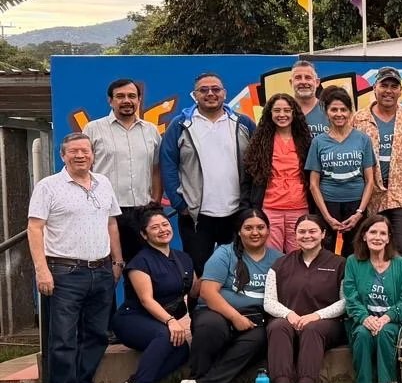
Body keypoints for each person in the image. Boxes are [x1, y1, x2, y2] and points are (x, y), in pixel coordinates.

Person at [27, 132, 123, 383]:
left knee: (97, 334)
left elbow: (112, 224)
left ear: (93, 154)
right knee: (64, 337)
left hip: (102, 270)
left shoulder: (103, 183)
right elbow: (35, 228)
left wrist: (117, 261)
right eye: (74, 151)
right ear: (63, 155)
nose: (80, 155)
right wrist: (41, 270)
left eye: (85, 151)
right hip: (64, 272)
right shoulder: (48, 187)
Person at [179, 207, 279, 383]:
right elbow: (207, 292)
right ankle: (197, 375)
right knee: (210, 328)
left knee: (259, 339)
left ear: (268, 230)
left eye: (260, 227)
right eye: (248, 228)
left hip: (255, 317)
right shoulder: (224, 253)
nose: (255, 232)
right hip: (215, 311)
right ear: (239, 231)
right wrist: (235, 317)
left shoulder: (278, 259)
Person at [159, 70, 253, 270]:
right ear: (195, 95)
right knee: (197, 274)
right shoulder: (180, 125)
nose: (210, 93)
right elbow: (168, 164)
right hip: (195, 215)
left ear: (225, 93)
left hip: (236, 213)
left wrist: (250, 202)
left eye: (215, 89)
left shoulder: (243, 124)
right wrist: (179, 203)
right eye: (204, 90)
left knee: (237, 271)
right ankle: (196, 303)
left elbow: (258, 163)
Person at [263, 215, 346, 383]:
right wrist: (289, 314)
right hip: (290, 320)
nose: (307, 235)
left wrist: (316, 315)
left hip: (326, 323)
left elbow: (346, 301)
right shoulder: (281, 264)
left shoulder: (339, 263)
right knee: (277, 326)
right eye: (302, 231)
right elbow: (268, 301)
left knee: (312, 329)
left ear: (323, 234)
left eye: (312, 231)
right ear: (295, 235)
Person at [111, 207, 195, 383]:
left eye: (165, 224)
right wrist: (171, 321)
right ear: (144, 234)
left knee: (182, 350)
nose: (163, 230)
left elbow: (195, 289)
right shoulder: (140, 261)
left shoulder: (183, 258)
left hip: (162, 321)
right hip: (132, 319)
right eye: (155, 227)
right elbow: (146, 300)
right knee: (166, 335)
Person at [86, 77, 162, 264]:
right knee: (106, 270)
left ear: (139, 100)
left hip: (141, 212)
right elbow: (83, 170)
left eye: (131, 96)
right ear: (110, 101)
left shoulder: (151, 130)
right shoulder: (93, 129)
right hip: (105, 212)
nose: (126, 100)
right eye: (120, 96)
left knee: (143, 271)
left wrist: (156, 200)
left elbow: (156, 168)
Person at [339, 215, 402, 383]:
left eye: (383, 233)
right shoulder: (353, 262)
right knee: (363, 334)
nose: (377, 237)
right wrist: (365, 318)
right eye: (373, 232)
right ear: (364, 235)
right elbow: (351, 296)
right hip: (363, 319)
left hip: (393, 321)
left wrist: (386, 318)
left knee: (385, 332)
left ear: (389, 238)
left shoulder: (401, 264)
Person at [353, 66, 402, 258]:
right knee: (370, 251)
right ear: (374, 87)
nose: (389, 91)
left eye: (394, 86)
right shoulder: (358, 119)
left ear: (400, 90)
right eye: (384, 85)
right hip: (370, 198)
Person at [306, 87, 376, 255]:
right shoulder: (318, 142)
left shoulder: (363, 139)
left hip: (356, 205)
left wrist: (359, 213)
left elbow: (370, 181)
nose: (339, 114)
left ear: (350, 111)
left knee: (354, 253)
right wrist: (327, 217)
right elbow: (313, 184)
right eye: (334, 109)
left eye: (343, 109)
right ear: (326, 112)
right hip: (328, 205)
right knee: (324, 253)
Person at [244, 93, 313, 252]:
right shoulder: (260, 143)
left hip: (299, 209)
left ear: (294, 113)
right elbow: (248, 178)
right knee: (271, 259)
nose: (282, 115)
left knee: (297, 258)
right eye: (277, 111)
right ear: (270, 113)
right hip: (269, 210)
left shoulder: (305, 141)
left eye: (287, 110)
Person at [289, 58, 329, 138]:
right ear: (291, 82)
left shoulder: (329, 110)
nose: (303, 82)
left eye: (308, 78)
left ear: (317, 82)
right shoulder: (282, 112)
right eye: (298, 78)